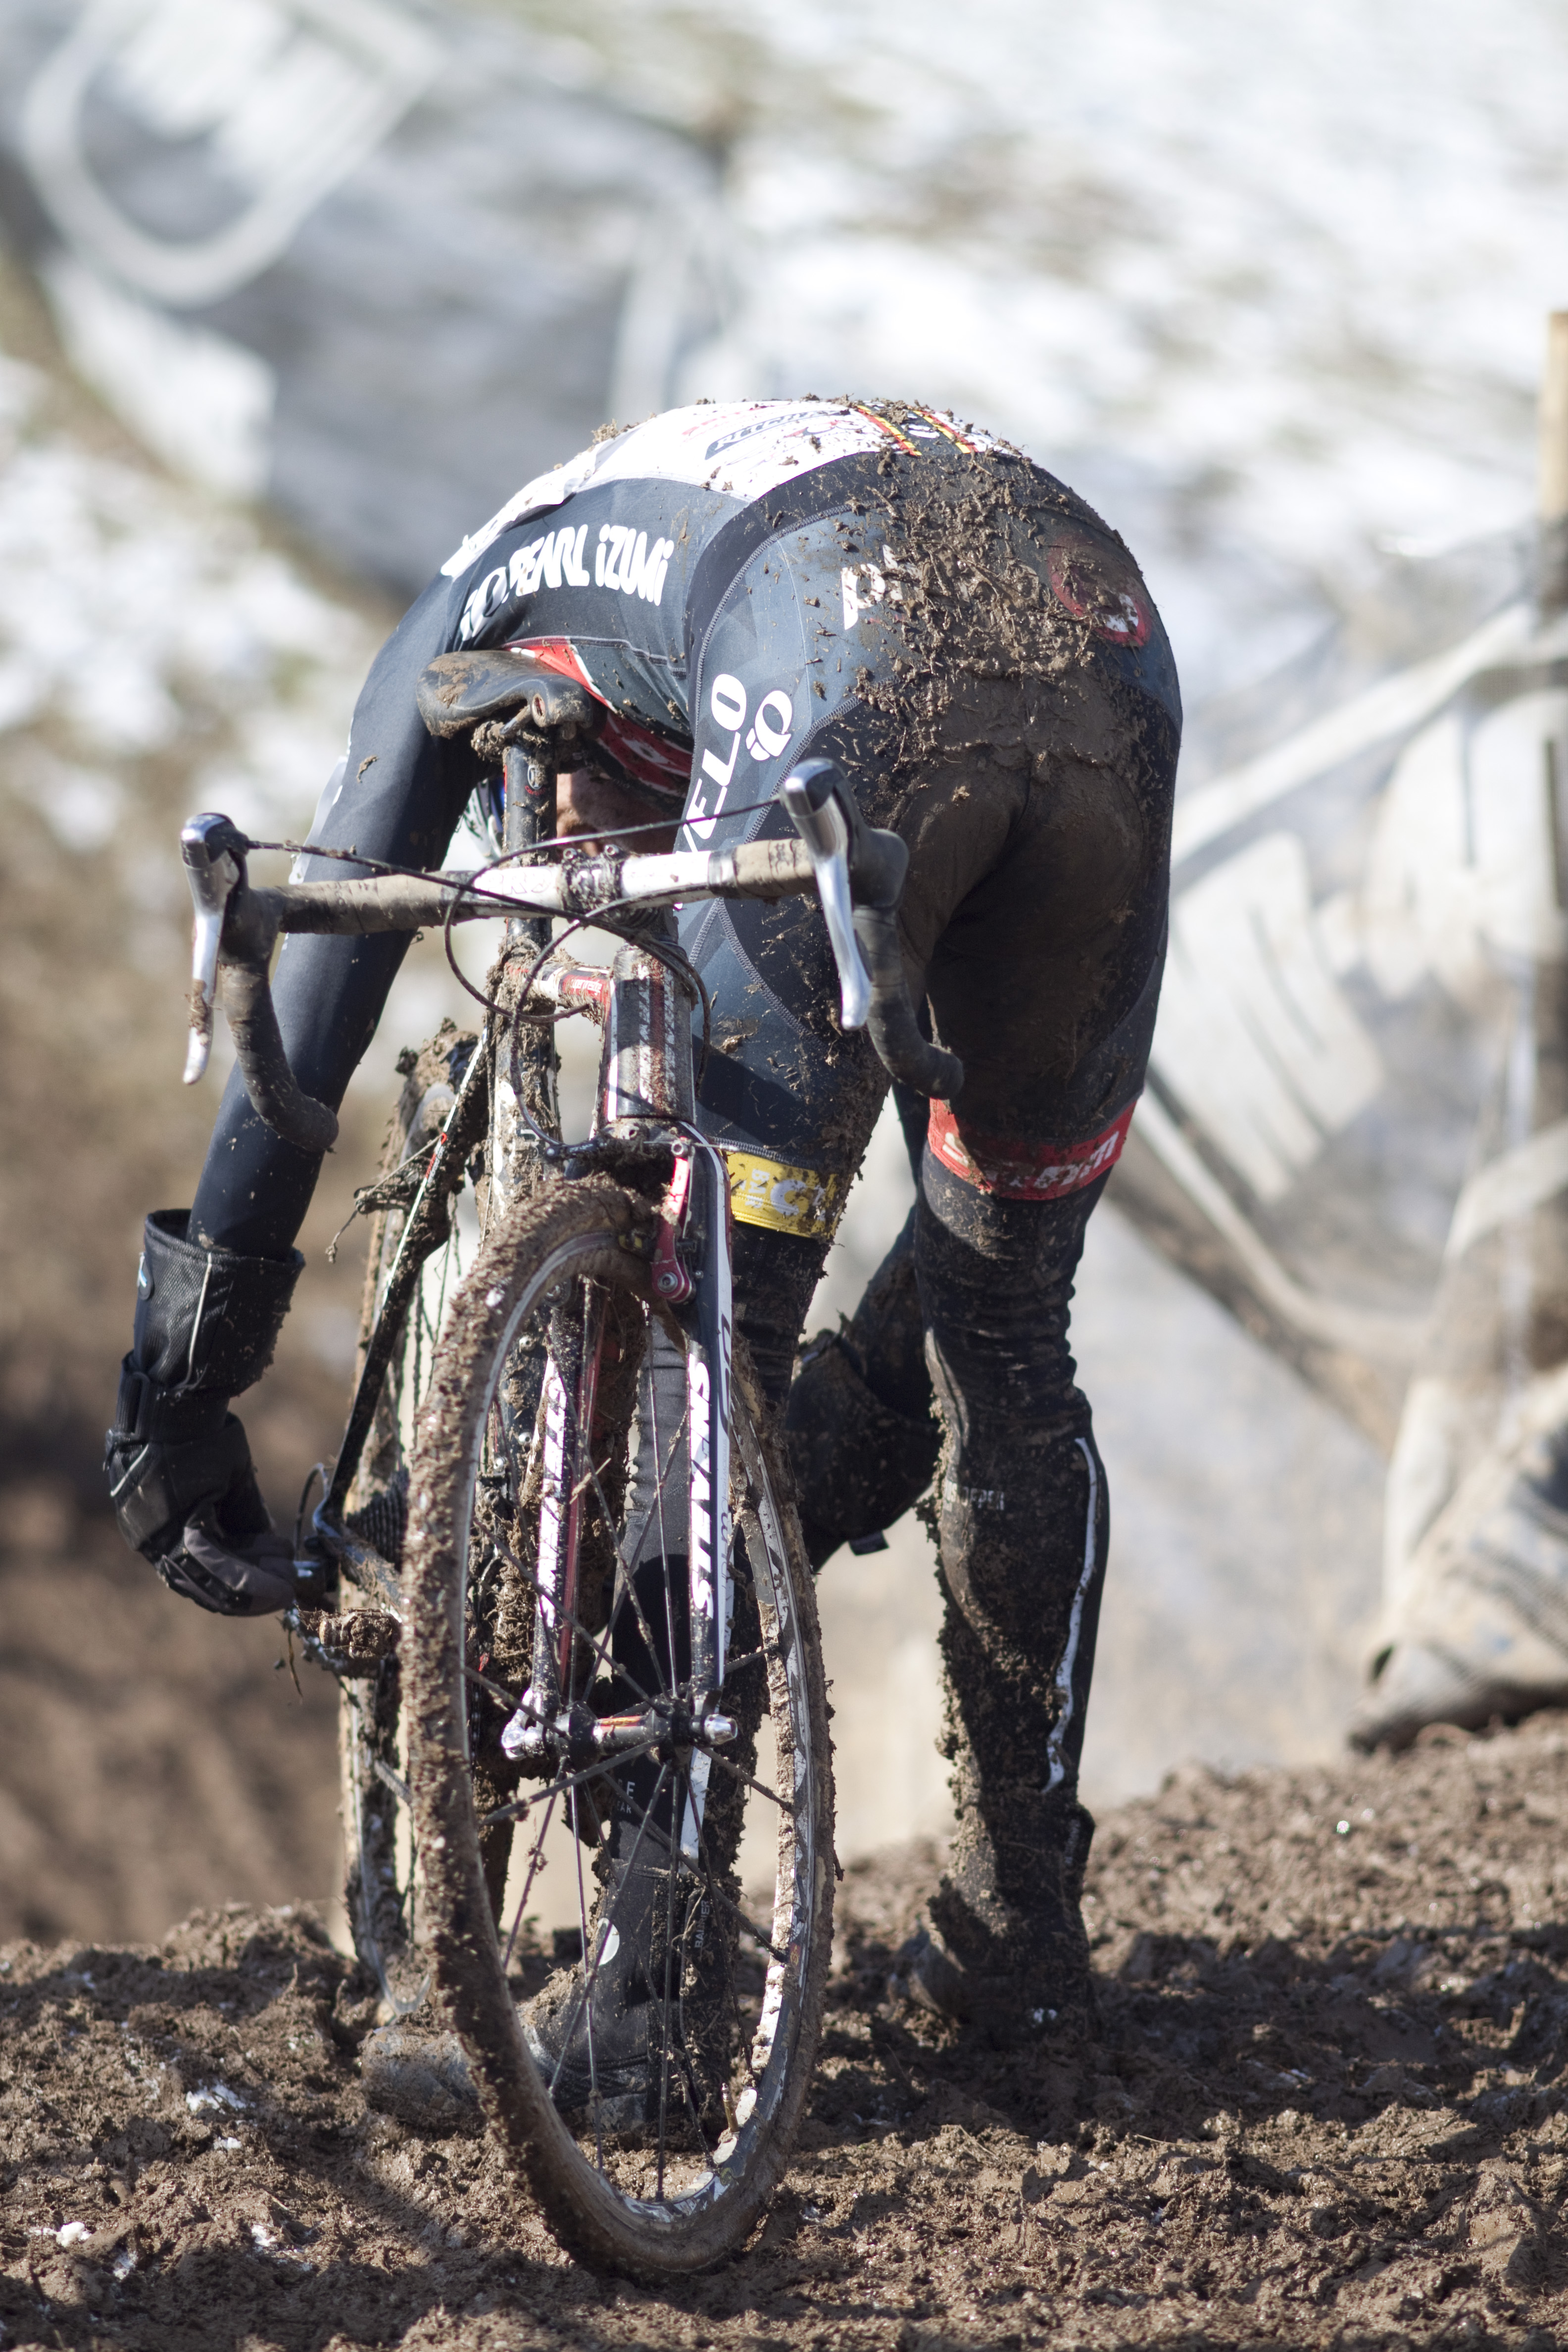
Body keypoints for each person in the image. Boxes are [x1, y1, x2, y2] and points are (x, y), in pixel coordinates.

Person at [105, 398, 1178, 2048]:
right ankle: (1021, 1954)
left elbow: (307, 1007)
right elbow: (961, 1274)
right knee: (1010, 1316)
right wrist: (856, 1429)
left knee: (713, 1322)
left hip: (836, 641)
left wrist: (181, 1380)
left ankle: (659, 1989)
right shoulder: (629, 527)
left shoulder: (452, 615)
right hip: (1096, 627)